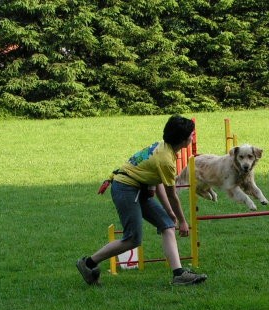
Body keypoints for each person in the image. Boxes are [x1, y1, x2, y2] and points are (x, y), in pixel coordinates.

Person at [76, 115, 207, 286]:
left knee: (167, 225)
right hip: (126, 189)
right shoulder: (166, 159)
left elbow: (158, 182)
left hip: (138, 188)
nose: (192, 137)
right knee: (133, 239)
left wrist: (170, 214)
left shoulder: (164, 148)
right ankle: (88, 264)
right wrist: (182, 220)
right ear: (183, 139)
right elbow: (172, 195)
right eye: (191, 134)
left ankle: (179, 274)